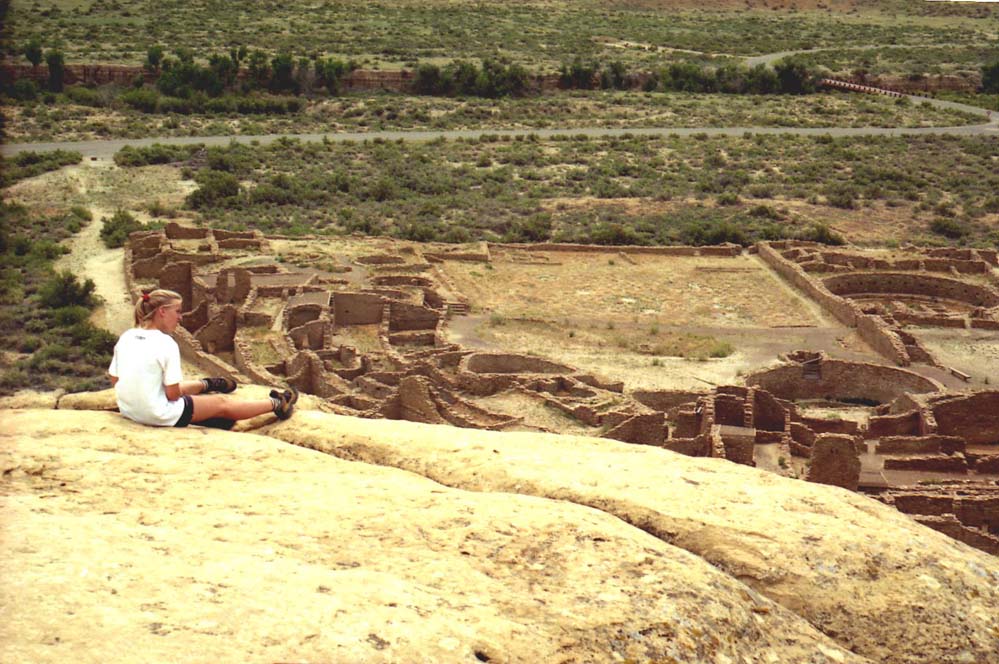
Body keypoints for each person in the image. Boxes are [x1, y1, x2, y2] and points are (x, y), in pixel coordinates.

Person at [108, 288, 296, 428]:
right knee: (222, 404)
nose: (180, 317)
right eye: (177, 311)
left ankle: (208, 384)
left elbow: (115, 379)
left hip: (129, 410)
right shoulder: (165, 343)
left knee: (174, 387)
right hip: (156, 414)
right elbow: (173, 394)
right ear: (162, 312)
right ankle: (279, 404)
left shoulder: (127, 336)